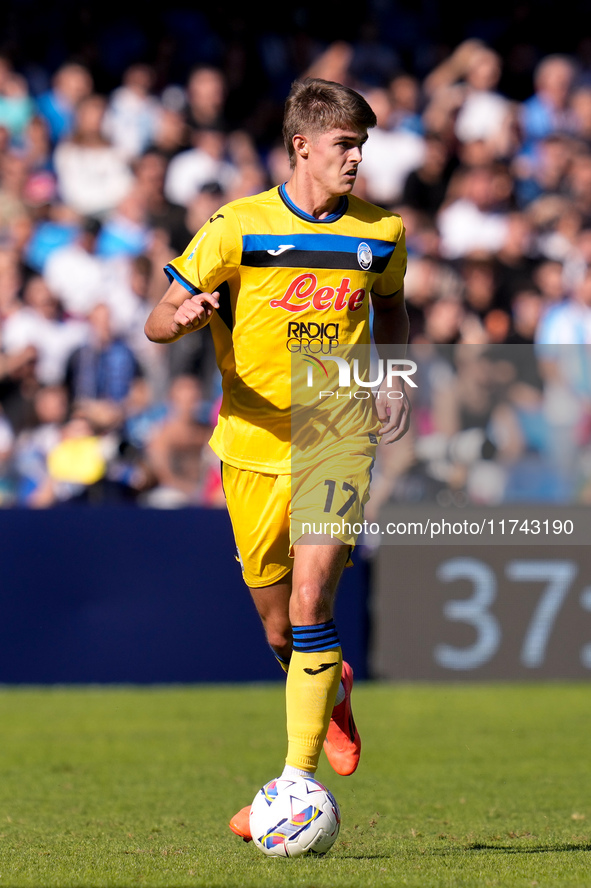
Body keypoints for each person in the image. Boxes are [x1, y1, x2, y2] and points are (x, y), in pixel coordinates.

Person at [144, 77, 410, 841]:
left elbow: (390, 306)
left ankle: (293, 786)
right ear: (302, 146)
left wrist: (391, 374)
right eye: (344, 145)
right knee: (277, 631)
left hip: (337, 432)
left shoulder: (381, 231)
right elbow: (156, 321)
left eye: (361, 146)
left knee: (310, 602)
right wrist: (184, 314)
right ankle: (333, 688)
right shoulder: (236, 228)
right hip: (251, 442)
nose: (356, 159)